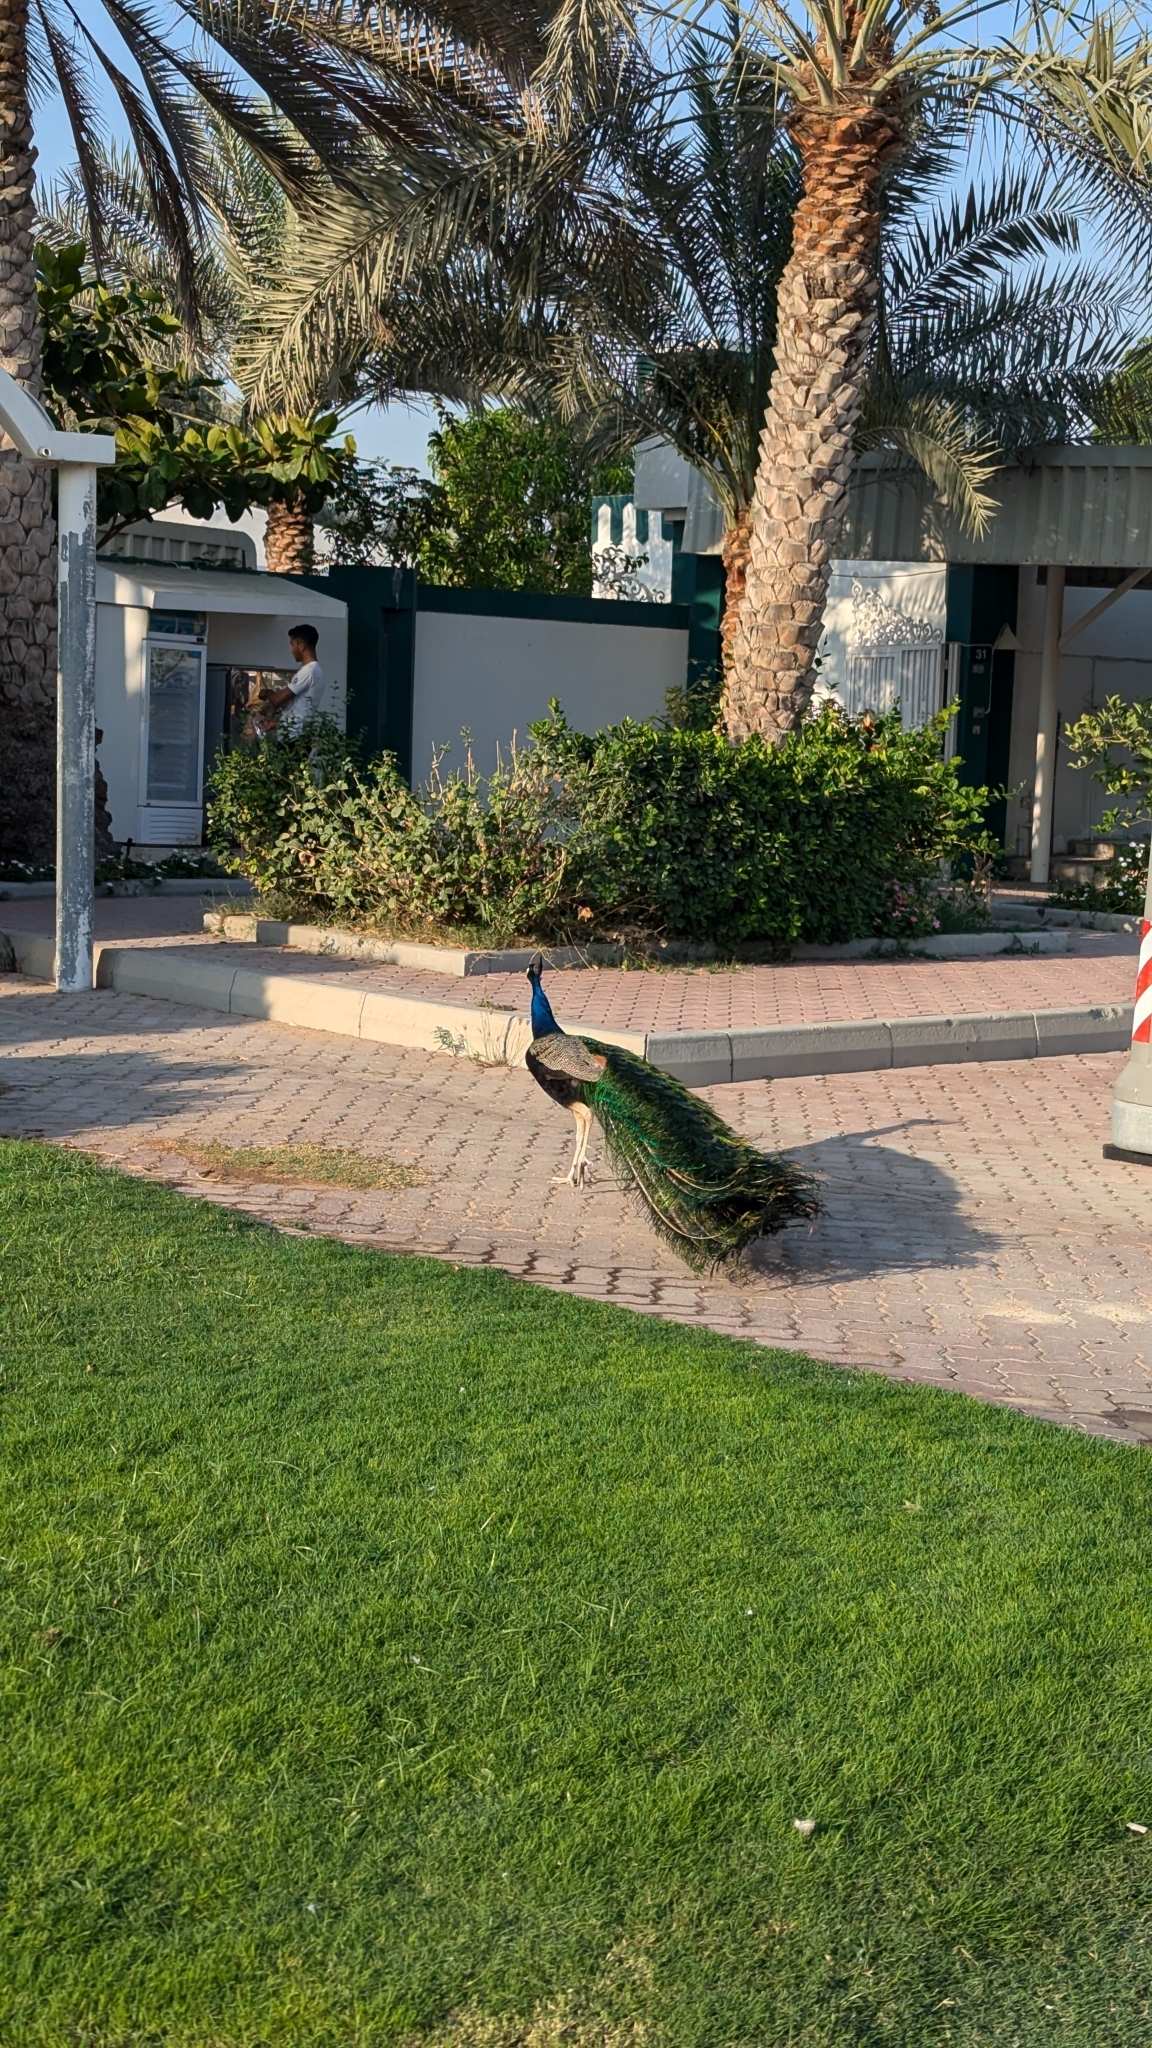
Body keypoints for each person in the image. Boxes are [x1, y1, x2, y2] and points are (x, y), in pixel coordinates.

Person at [259, 626, 325, 733]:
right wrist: (274, 723)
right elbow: (297, 709)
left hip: (294, 738)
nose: (291, 650)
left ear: (301, 646)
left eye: (292, 645)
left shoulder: (309, 671)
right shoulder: (314, 671)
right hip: (297, 735)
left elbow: (277, 701)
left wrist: (266, 692)